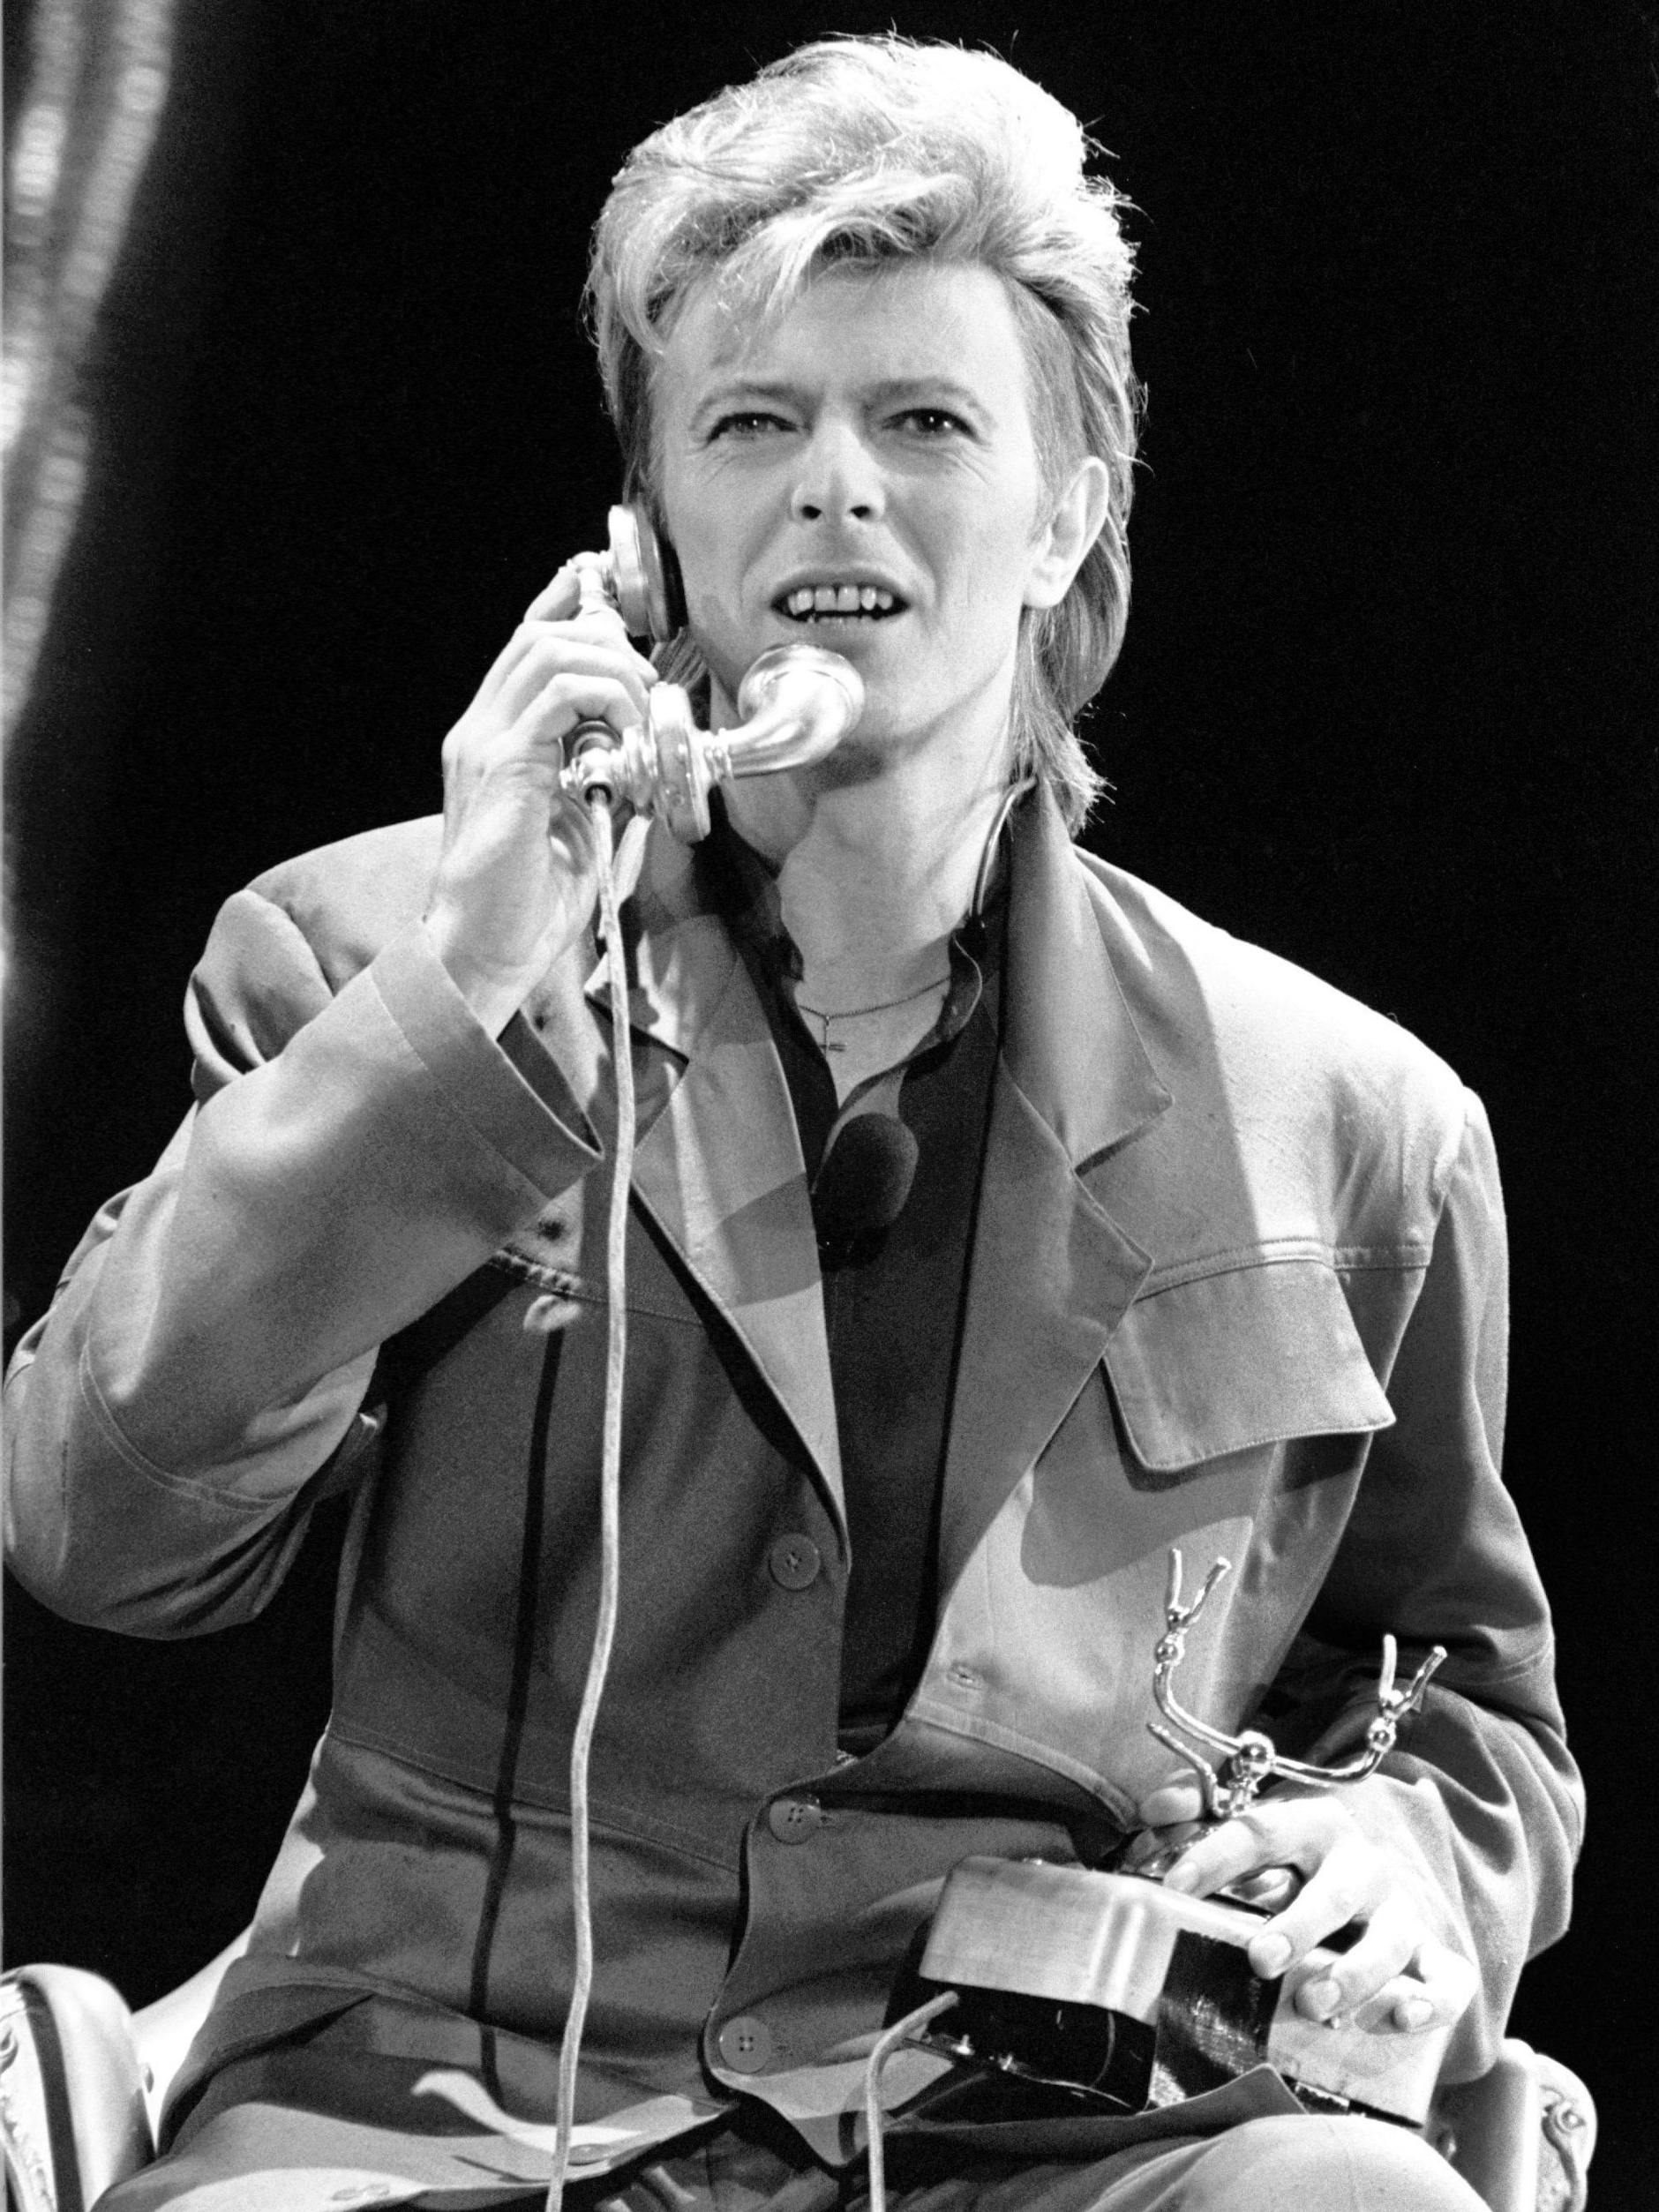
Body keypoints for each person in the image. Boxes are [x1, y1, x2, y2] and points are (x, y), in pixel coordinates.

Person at [4, 34, 1580, 2212]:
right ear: (647, 537)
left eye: (924, 421)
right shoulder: (350, 956)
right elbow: (106, 1533)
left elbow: (1464, 1695)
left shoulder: (1353, 1118)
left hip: (1035, 2116)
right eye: (756, 423)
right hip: (438, 2105)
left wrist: (1408, 1840)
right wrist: (465, 1001)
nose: (835, 485)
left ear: (1069, 514)